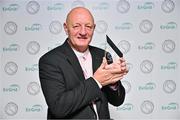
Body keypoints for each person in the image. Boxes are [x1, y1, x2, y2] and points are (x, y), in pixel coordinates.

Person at [39, 7, 128, 119]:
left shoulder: (102, 55)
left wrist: (113, 82)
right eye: (76, 26)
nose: (83, 32)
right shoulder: (50, 61)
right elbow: (59, 107)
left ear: (94, 28)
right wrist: (97, 81)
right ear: (66, 28)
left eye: (88, 26)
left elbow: (117, 101)